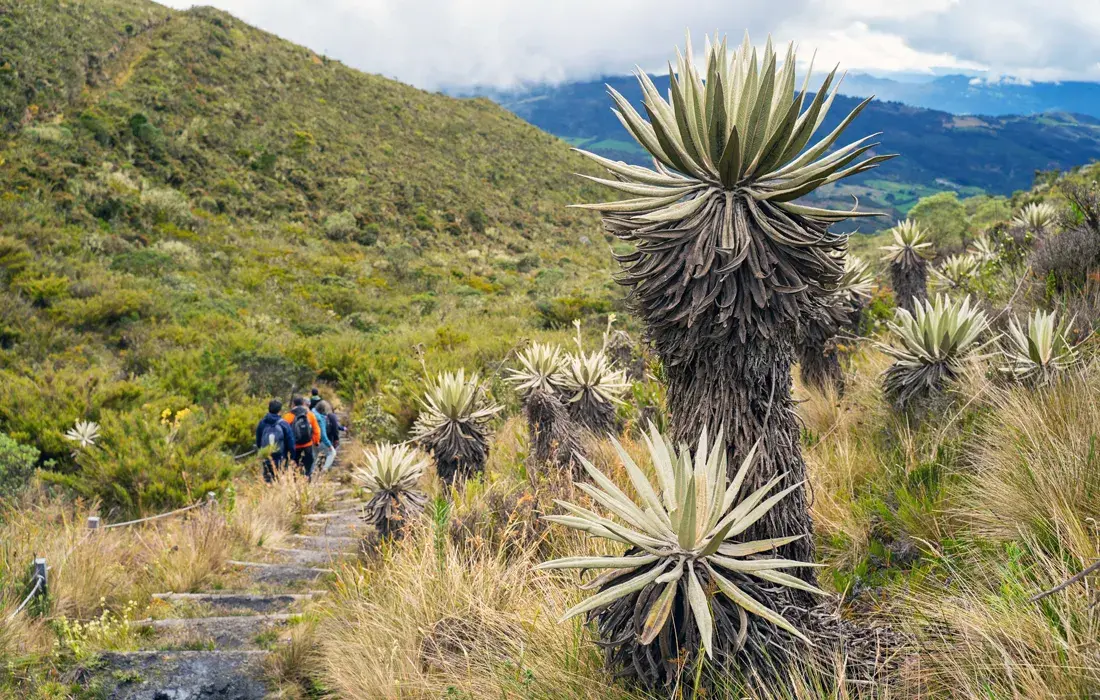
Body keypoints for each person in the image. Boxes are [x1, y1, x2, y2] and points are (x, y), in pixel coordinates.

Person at [255, 399, 295, 483]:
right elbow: (290, 442)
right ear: (280, 411)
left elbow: (258, 441)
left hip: (267, 457)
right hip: (281, 457)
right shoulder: (284, 424)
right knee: (280, 479)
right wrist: (292, 456)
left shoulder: (262, 423)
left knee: (268, 480)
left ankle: (267, 494)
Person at [284, 396, 321, 479]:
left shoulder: (288, 416)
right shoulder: (310, 415)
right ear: (303, 404)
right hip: (307, 445)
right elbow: (316, 430)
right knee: (307, 468)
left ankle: (296, 483)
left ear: (293, 404)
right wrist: (316, 441)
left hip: (294, 447)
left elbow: (284, 433)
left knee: (295, 468)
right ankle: (307, 484)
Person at [316, 400, 342, 472]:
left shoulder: (314, 415)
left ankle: (317, 468)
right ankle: (325, 469)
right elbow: (335, 428)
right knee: (332, 453)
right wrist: (335, 439)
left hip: (314, 440)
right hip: (325, 439)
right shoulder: (329, 416)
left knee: (316, 455)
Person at [312, 397, 334, 471]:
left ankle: (311, 474)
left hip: (311, 440)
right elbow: (323, 435)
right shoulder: (320, 418)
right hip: (317, 440)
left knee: (314, 457)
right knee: (332, 453)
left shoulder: (312, 413)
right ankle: (324, 470)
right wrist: (329, 445)